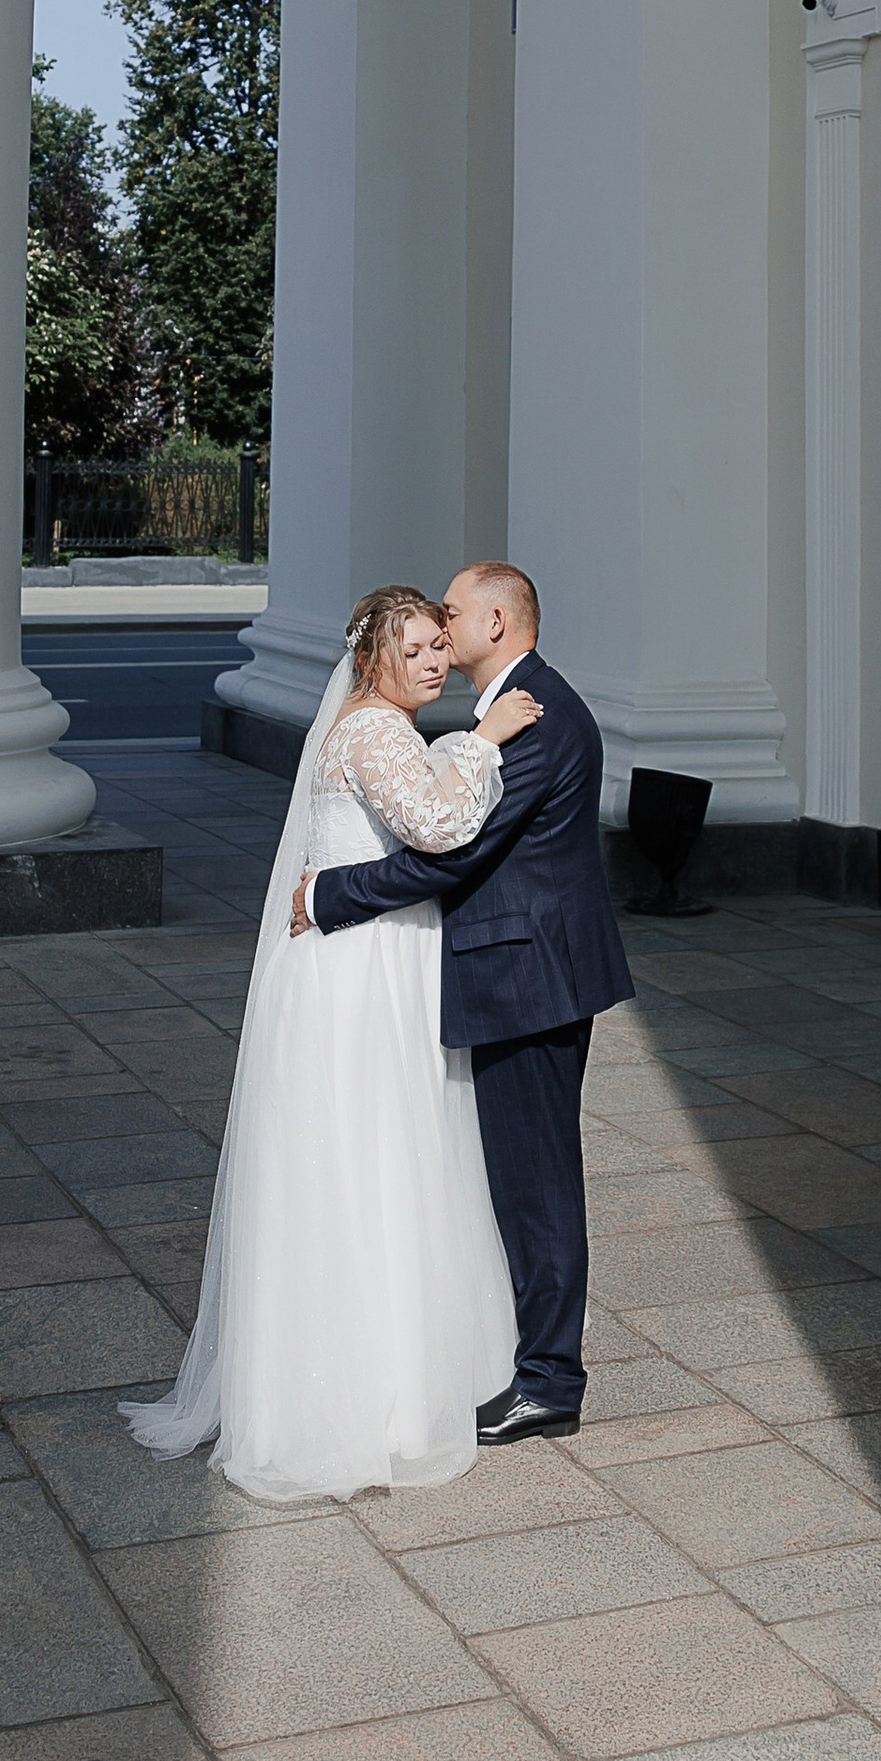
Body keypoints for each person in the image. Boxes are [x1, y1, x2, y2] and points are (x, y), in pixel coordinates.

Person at [119, 586, 541, 1502]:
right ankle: (381, 1400)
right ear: (371, 657)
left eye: (439, 645)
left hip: (345, 963)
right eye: (415, 648)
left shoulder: (356, 727)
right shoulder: (381, 733)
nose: (433, 662)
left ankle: (329, 1387)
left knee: (340, 1164)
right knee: (382, 1160)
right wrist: (485, 738)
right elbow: (437, 827)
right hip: (369, 972)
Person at [298, 561, 633, 1445]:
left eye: (451, 616)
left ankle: (550, 1381)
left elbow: (454, 853)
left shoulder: (539, 714)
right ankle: (532, 1361)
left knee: (538, 1185)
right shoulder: (507, 711)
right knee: (522, 1182)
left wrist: (332, 895)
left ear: (496, 617)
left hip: (530, 980)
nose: (444, 633)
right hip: (524, 973)